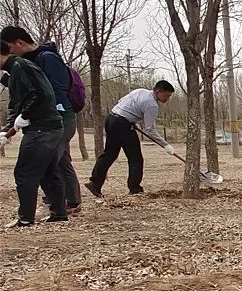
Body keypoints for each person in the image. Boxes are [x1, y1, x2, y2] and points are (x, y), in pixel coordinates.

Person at [0, 27, 82, 215]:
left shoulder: (47, 58)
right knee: (60, 160)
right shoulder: (26, 62)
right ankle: (69, 202)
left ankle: (57, 204)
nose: (9, 53)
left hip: (59, 116)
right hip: (45, 117)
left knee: (48, 162)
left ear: (20, 42)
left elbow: (54, 89)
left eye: (10, 48)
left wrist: (48, 116)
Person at [85, 81, 175, 198]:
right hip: (122, 124)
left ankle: (94, 183)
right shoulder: (151, 105)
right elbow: (150, 129)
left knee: (109, 154)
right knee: (135, 158)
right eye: (167, 95)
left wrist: (132, 120)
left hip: (111, 119)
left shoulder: (140, 91)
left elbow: (121, 102)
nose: (168, 99)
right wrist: (165, 145)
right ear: (158, 91)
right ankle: (135, 189)